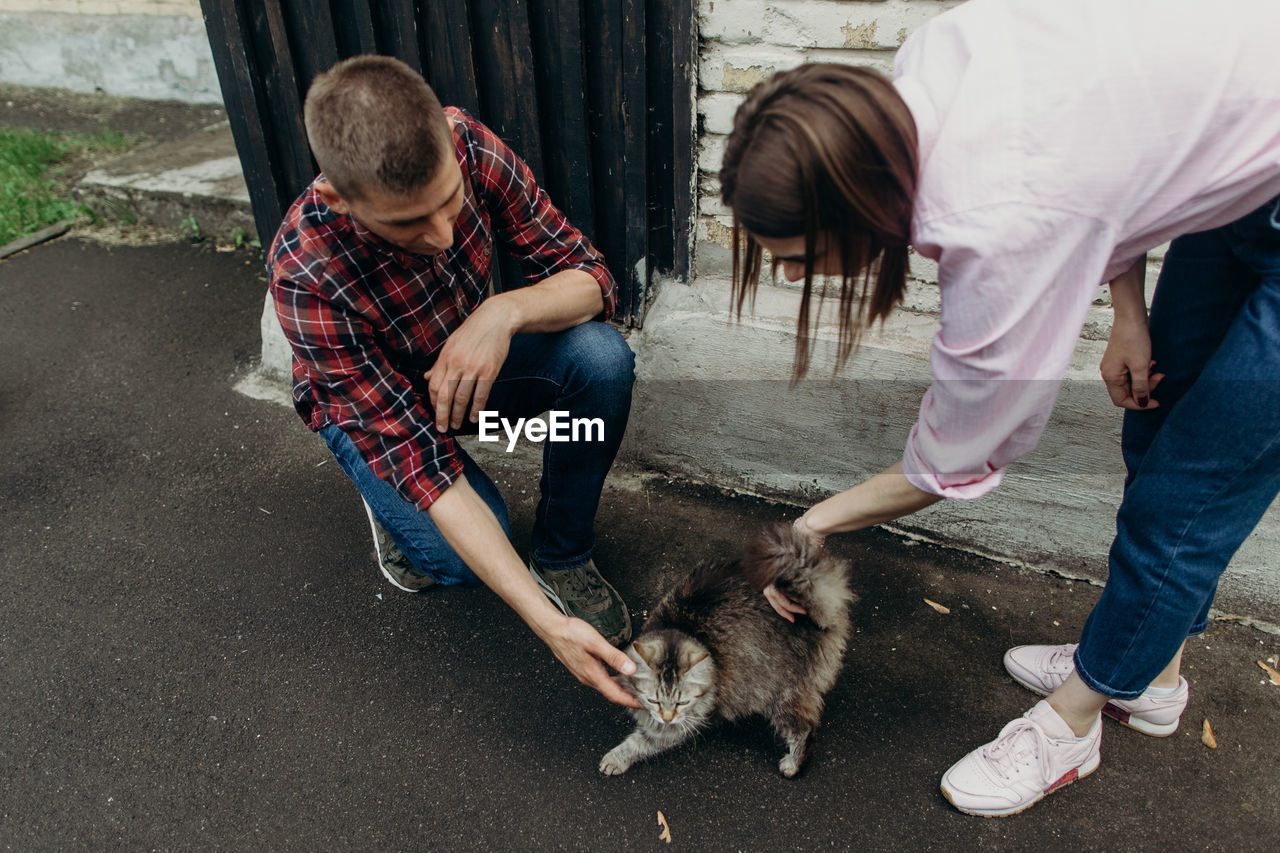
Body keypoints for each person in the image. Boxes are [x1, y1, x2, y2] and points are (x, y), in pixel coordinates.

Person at [719, 0, 1280, 817]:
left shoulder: (994, 217)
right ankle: (1149, 674)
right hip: (1246, 191)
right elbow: (1113, 145)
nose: (800, 282)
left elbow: (957, 452)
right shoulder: (928, 67)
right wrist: (1129, 309)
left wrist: (817, 521)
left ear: (855, 200)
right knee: (1156, 426)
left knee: (1184, 504)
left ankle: (1074, 724)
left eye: (801, 258)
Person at [268, 55, 641, 709]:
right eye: (409, 223)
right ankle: (388, 508)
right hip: (377, 409)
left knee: (601, 358)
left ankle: (563, 556)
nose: (441, 234)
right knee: (459, 563)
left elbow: (593, 277)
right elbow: (422, 463)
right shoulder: (305, 272)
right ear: (336, 197)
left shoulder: (467, 142)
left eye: (450, 202)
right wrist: (548, 625)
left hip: (464, 366)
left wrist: (503, 311)